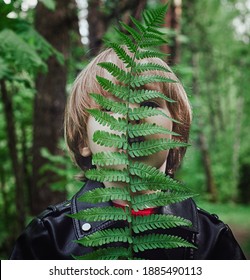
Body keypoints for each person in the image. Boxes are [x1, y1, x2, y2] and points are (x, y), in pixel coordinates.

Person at [9, 47, 246, 260]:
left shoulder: (212, 241)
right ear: (84, 140)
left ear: (176, 135)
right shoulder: (47, 239)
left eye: (149, 104)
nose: (130, 117)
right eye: (110, 108)